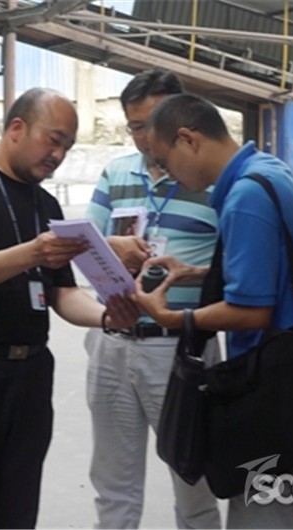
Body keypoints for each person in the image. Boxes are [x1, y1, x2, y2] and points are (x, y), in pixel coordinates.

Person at [0, 87, 139, 529]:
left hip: (31, 372)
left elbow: (62, 293)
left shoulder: (46, 205)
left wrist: (106, 316)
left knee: (18, 503)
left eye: (67, 147)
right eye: (53, 140)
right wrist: (33, 252)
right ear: (17, 128)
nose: (58, 155)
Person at [135, 93, 293, 528]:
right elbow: (276, 270)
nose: (167, 174)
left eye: (165, 162)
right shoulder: (271, 172)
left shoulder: (246, 196)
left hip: (270, 395)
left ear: (188, 140)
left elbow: (252, 312)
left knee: (263, 516)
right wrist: (195, 273)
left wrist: (173, 319)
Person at [83, 69, 221, 529]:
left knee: (193, 481)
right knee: (113, 487)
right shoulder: (117, 172)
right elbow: (81, 244)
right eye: (135, 127)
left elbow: (239, 270)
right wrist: (110, 249)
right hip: (113, 344)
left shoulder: (212, 182)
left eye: (154, 123)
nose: (145, 137)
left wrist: (192, 275)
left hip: (181, 348)